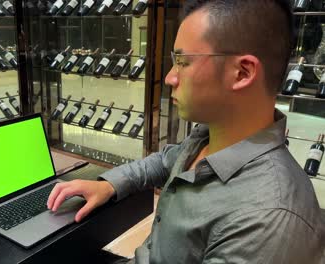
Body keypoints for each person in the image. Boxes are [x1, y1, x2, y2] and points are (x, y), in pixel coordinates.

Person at [48, 0, 325, 263]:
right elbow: (165, 160)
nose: (170, 77)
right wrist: (108, 184)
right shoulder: (212, 135)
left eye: (183, 62)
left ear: (242, 72)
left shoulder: (267, 221)